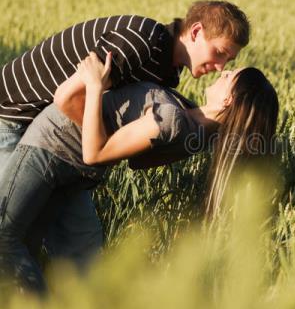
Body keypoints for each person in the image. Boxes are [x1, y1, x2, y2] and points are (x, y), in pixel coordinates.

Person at [0, 0, 250, 271]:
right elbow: (65, 98)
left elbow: (135, 152)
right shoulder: (141, 41)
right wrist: (104, 144)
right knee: (9, 238)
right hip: (13, 116)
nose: (221, 67)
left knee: (71, 247)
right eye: (220, 52)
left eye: (229, 61)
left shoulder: (167, 73)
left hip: (57, 143)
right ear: (196, 32)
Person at [0, 52, 279, 295]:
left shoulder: (175, 120)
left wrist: (96, 86)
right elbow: (137, 161)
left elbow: (94, 153)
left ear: (229, 99)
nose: (223, 71)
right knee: (24, 245)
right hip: (70, 167)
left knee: (4, 238)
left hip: (52, 149)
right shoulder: (196, 130)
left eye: (230, 74)